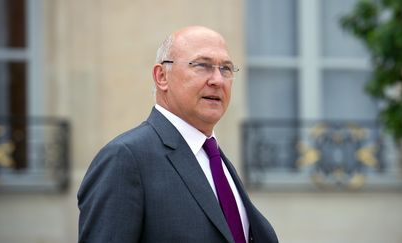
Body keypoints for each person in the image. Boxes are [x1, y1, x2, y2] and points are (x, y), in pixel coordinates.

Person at [77, 25, 278, 243]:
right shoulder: (125, 158)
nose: (218, 80)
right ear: (162, 76)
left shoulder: (215, 160)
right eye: (202, 65)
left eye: (226, 69)